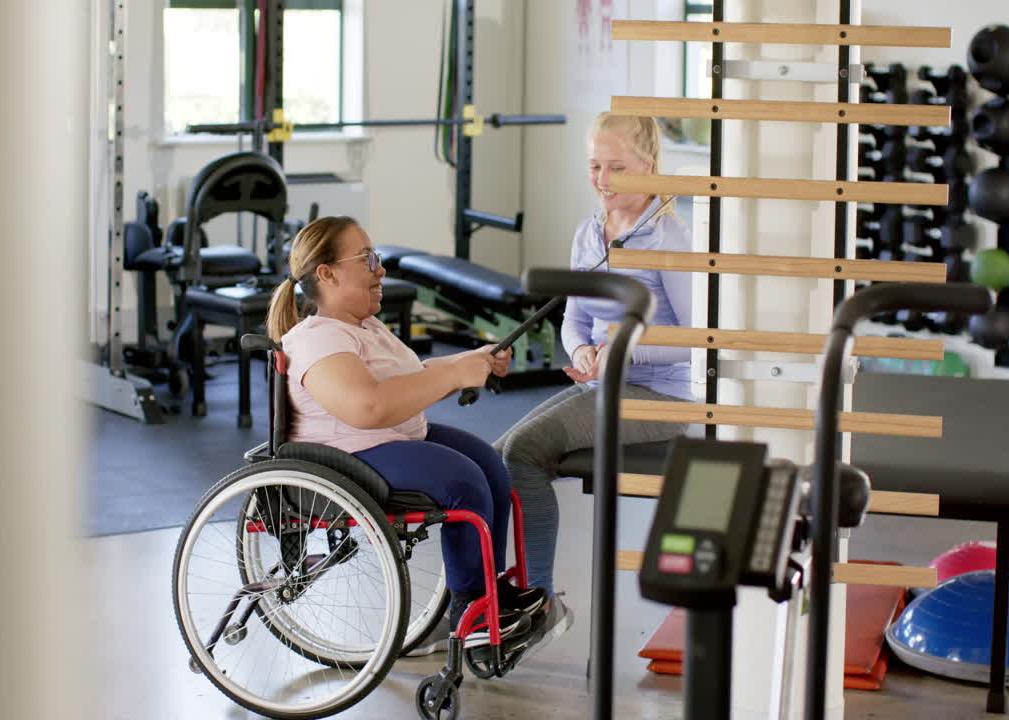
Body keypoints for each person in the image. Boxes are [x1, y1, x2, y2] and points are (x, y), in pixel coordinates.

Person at [265, 215, 546, 655]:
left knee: (490, 466)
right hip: (347, 454)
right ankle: (470, 607)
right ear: (327, 273)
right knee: (462, 482)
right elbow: (367, 406)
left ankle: (488, 593)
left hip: (387, 441)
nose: (380, 269)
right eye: (368, 259)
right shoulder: (318, 338)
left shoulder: (363, 327)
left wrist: (467, 362)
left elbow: (410, 377)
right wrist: (454, 374)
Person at [494, 112, 693, 653]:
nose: (603, 179)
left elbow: (700, 336)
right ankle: (483, 603)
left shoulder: (672, 236)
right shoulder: (590, 231)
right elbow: (574, 319)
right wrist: (583, 350)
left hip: (663, 396)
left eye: (616, 166)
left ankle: (538, 603)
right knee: (492, 457)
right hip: (603, 384)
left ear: (649, 167)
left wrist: (620, 354)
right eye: (594, 166)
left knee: (525, 451)